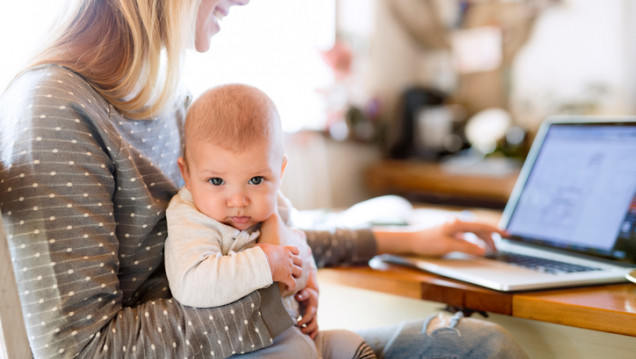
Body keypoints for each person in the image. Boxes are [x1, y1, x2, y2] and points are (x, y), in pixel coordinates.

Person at [0, 0, 529, 358]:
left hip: (258, 340)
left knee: (474, 343)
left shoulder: (166, 98)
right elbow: (81, 349)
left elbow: (243, 228)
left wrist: (399, 240)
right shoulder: (55, 108)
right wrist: (279, 297)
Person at [165, 83, 375, 358]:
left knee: (351, 344)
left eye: (256, 180)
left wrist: (310, 287)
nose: (238, 200)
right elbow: (191, 283)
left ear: (280, 171)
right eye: (216, 181)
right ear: (187, 174)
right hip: (239, 347)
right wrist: (265, 260)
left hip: (291, 332)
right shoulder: (190, 216)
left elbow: (299, 246)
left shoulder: (276, 205)